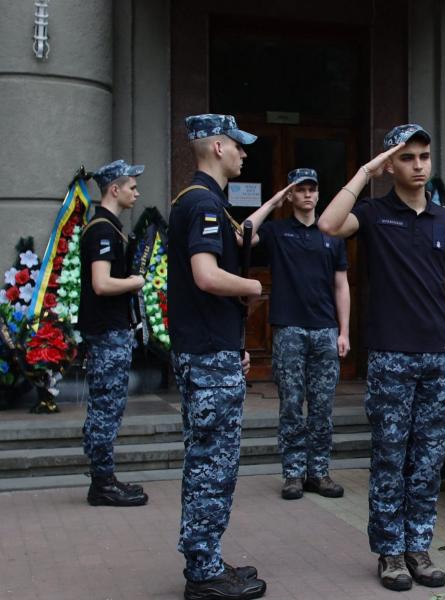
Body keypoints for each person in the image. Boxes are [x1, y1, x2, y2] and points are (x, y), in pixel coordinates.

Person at [317, 124, 445, 592]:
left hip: (439, 358)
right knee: (389, 458)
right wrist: (366, 171)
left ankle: (418, 547)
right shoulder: (373, 214)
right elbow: (327, 224)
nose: (419, 165)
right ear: (391, 164)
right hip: (391, 358)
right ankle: (389, 553)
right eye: (408, 158)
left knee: (428, 461)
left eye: (424, 156)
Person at [167, 114, 267, 600]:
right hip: (207, 355)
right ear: (218, 148)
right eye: (240, 146)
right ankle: (204, 575)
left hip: (210, 350)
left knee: (208, 460)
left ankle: (206, 559)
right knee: (213, 463)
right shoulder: (204, 202)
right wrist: (252, 286)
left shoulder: (197, 200)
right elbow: (206, 275)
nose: (245, 154)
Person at [245, 168, 349, 501]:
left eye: (311, 189)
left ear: (319, 194)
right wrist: (274, 200)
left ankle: (318, 472)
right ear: (290, 195)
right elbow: (243, 233)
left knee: (322, 407)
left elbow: (341, 285)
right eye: (299, 189)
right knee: (291, 404)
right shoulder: (277, 231)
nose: (307, 195)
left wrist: (344, 331)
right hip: (289, 328)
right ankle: (292, 473)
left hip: (325, 330)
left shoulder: (331, 233)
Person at [79, 160, 149, 508]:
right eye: (132, 186)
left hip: (110, 332)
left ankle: (104, 479)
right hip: (107, 334)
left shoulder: (109, 227)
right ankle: (102, 484)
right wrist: (135, 283)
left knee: (108, 407)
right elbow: (102, 283)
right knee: (106, 409)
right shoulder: (103, 230)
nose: (137, 192)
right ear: (114, 189)